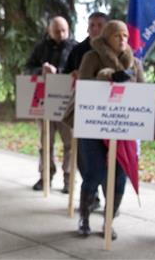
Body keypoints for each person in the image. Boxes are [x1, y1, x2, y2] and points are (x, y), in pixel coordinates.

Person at [75, 20, 145, 239]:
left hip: (122, 128)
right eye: (117, 35)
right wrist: (106, 77)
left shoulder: (135, 63)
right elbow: (84, 86)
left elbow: (142, 93)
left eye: (125, 35)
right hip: (94, 125)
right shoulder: (91, 57)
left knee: (119, 179)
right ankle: (84, 217)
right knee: (94, 173)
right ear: (107, 37)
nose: (123, 39)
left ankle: (108, 221)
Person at [25, 15, 77, 193]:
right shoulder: (41, 48)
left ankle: (68, 179)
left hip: (66, 105)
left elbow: (79, 72)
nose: (61, 34)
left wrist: (59, 72)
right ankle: (45, 176)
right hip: (44, 103)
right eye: (57, 31)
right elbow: (27, 69)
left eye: (64, 30)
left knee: (70, 143)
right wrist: (41, 71)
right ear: (50, 31)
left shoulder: (75, 48)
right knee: (45, 143)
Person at [64, 12, 108, 210]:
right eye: (92, 25)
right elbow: (65, 76)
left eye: (100, 25)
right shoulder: (79, 50)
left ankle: (111, 202)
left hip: (110, 115)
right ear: (87, 28)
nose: (96, 29)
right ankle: (91, 198)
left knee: (109, 161)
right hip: (85, 112)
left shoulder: (116, 49)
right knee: (86, 159)